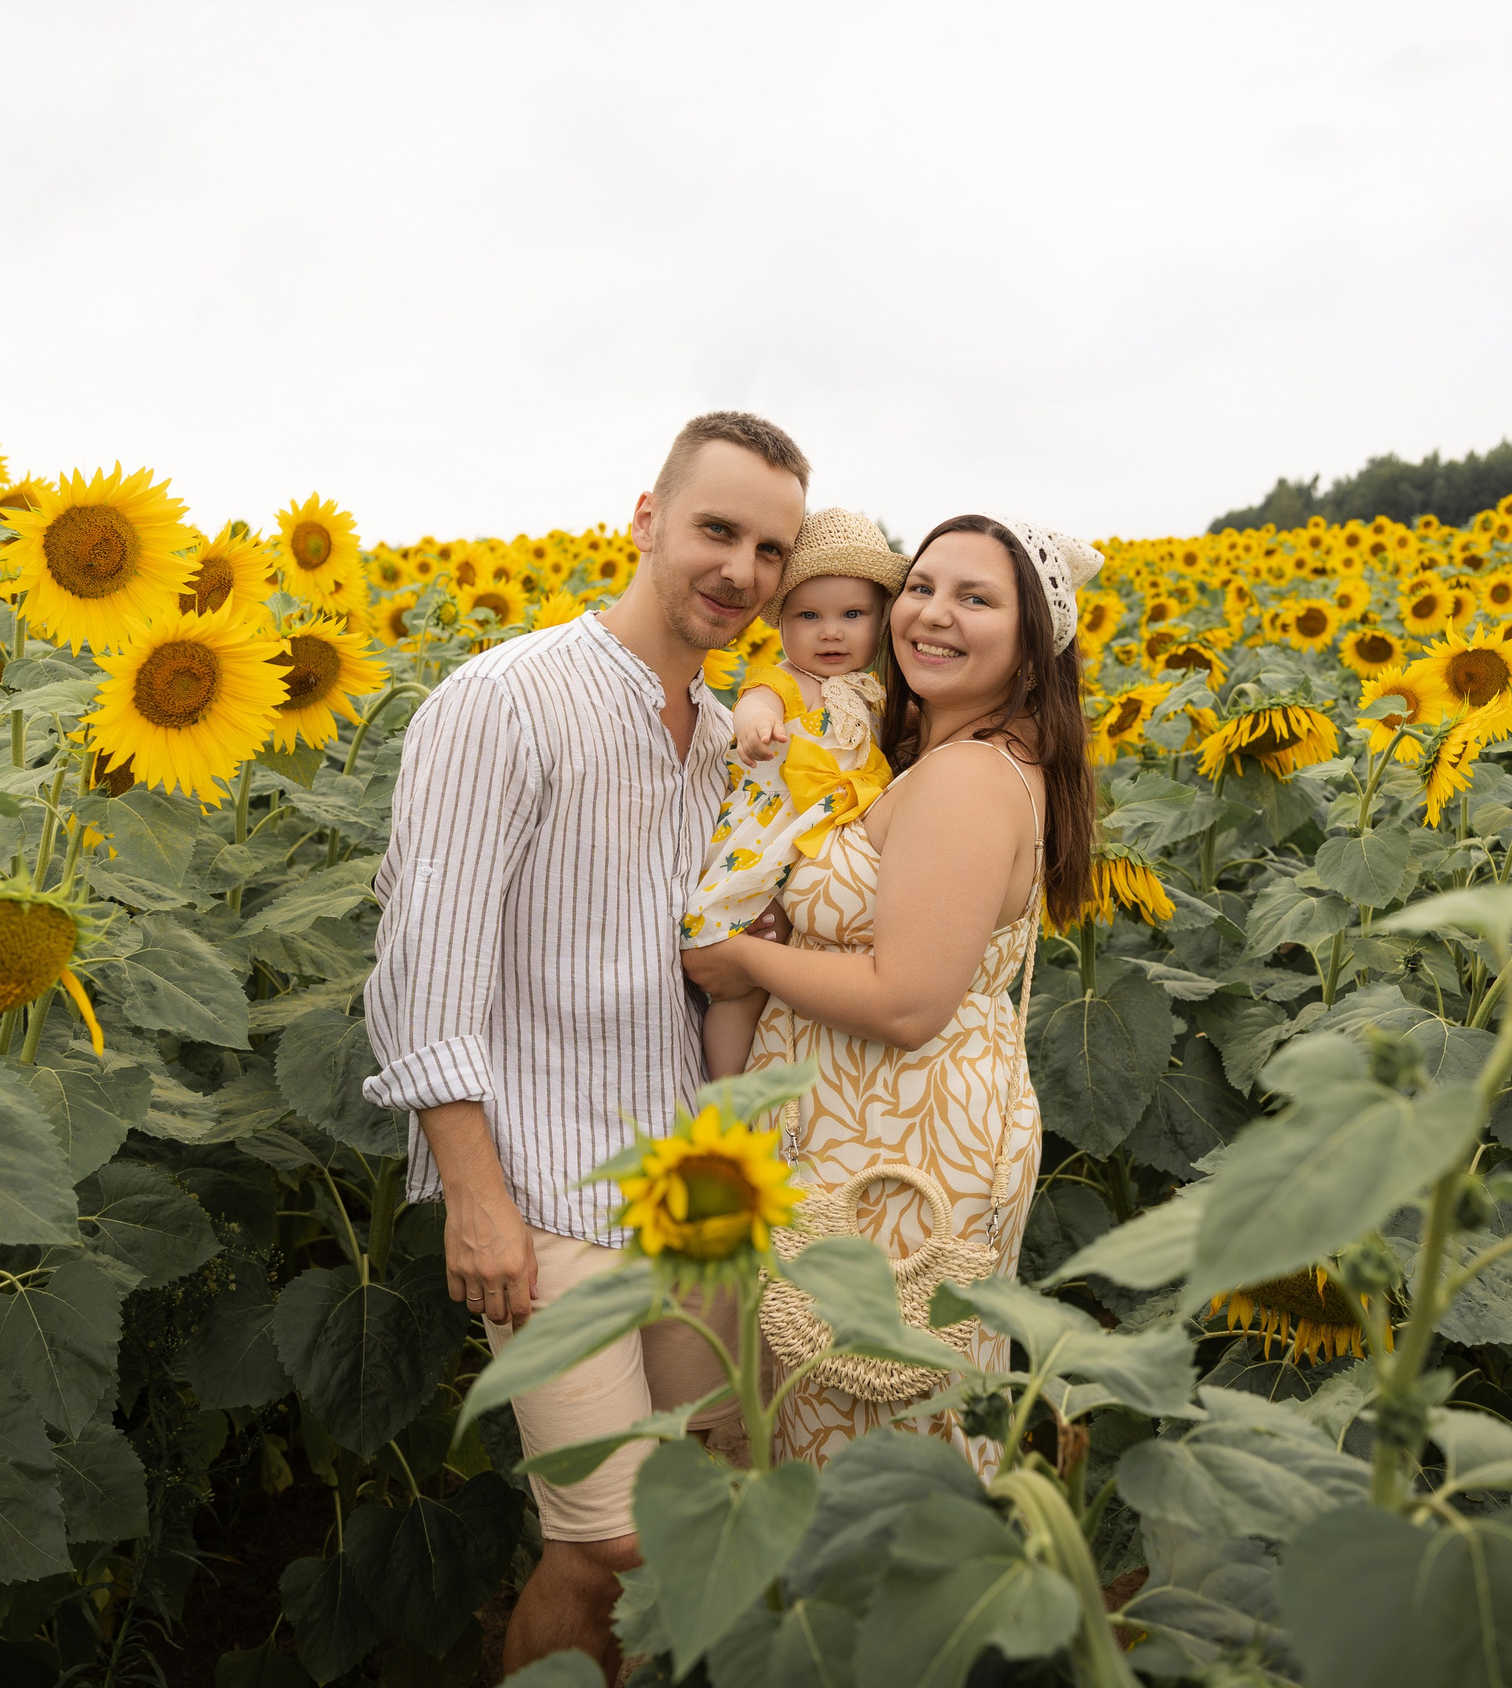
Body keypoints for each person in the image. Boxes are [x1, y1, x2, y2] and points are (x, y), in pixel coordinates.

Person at [362, 411, 808, 1679]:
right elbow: (420, 966)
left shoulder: (725, 737)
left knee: (698, 1508)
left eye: (770, 549)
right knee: (604, 1542)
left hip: (689, 1184)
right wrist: (475, 1196)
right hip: (546, 1183)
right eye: (718, 529)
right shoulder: (504, 699)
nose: (742, 571)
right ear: (646, 520)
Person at [679, 514, 1098, 1471]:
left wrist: (747, 964)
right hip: (877, 1138)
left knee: (867, 1452)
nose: (933, 615)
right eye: (921, 587)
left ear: (1034, 643)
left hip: (894, 1159)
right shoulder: (937, 758)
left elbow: (907, 1001)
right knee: (856, 1428)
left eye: (976, 598)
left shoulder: (964, 782)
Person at [681, 507, 906, 1079]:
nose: (831, 631)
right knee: (745, 983)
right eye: (809, 615)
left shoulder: (874, 693)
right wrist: (755, 728)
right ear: (781, 626)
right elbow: (756, 702)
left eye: (852, 614)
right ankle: (726, 1092)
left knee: (810, 971)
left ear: (882, 623)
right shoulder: (789, 681)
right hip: (777, 836)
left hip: (834, 842)